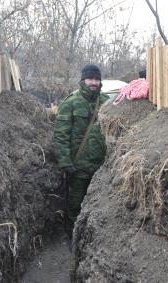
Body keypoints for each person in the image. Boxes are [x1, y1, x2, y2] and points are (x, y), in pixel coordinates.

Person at [53, 64, 109, 230]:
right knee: (75, 204)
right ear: (83, 80)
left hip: (100, 167)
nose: (94, 82)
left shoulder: (106, 103)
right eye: (90, 78)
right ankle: (72, 233)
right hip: (78, 167)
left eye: (97, 79)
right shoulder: (71, 103)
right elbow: (60, 136)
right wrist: (66, 163)